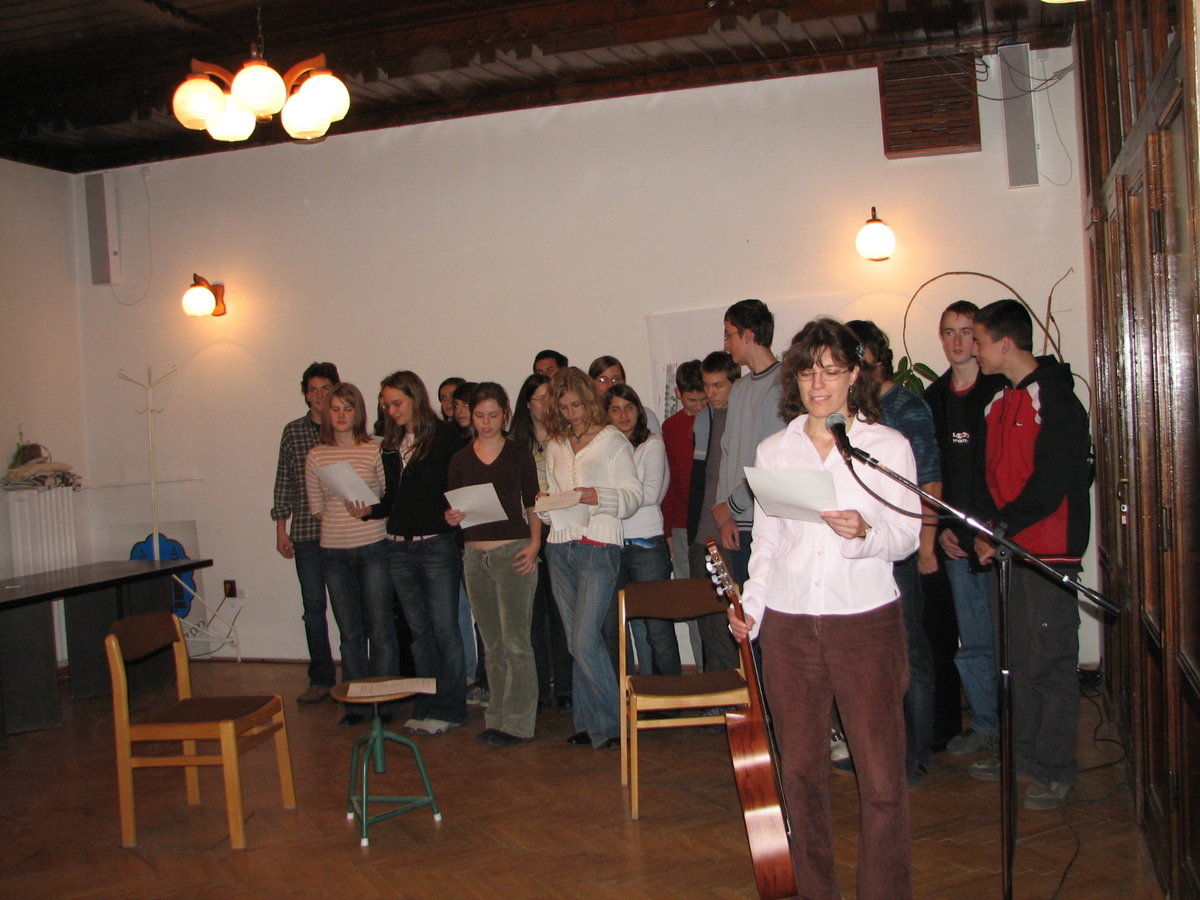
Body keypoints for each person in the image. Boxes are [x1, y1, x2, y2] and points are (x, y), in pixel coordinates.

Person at [728, 317, 920, 900]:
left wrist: (865, 532)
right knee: (801, 774)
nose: (818, 384)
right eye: (808, 372)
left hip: (865, 624)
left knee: (881, 777)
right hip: (789, 629)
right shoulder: (775, 449)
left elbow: (907, 536)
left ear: (854, 375)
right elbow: (768, 544)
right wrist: (752, 609)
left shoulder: (885, 446)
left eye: (832, 371)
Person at [968, 299, 1091, 810]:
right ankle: (1019, 753)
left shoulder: (1057, 399)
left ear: (1005, 343)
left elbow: (1051, 483)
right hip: (1008, 551)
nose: (973, 351)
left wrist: (1000, 530)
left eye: (978, 341)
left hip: (1047, 554)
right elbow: (985, 478)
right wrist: (982, 528)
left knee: (1049, 663)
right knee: (1014, 660)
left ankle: (1054, 767)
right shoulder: (997, 402)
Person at [846, 319, 941, 787]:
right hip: (858, 552)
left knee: (910, 655)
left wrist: (926, 546)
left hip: (900, 551)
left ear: (874, 359)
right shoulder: (844, 414)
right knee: (867, 660)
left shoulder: (905, 407)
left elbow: (930, 481)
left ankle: (916, 754)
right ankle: (874, 751)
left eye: (853, 360)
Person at [361, 371, 470, 735]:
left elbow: (457, 488)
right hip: (398, 547)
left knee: (445, 630)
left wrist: (455, 517)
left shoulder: (445, 437)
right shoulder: (392, 443)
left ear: (416, 399)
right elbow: (394, 497)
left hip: (436, 544)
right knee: (419, 633)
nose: (391, 411)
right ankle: (424, 704)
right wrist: (370, 509)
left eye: (397, 404)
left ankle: (451, 708)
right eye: (386, 405)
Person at [540, 367, 642, 749]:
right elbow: (554, 501)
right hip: (559, 546)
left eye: (577, 405)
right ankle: (590, 724)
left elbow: (633, 497)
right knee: (576, 642)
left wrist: (596, 496)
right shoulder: (554, 444)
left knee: (585, 640)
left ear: (589, 401)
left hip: (600, 545)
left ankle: (618, 724)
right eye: (564, 407)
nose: (571, 414)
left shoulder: (613, 440)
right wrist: (545, 505)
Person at [923, 301, 1005, 756]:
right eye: (948, 331)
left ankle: (1016, 726)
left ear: (979, 337)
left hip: (999, 536)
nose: (957, 340)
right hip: (955, 539)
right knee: (972, 641)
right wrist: (942, 529)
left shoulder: (999, 390)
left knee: (1009, 639)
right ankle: (986, 723)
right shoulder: (934, 398)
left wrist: (991, 527)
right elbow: (933, 473)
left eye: (966, 331)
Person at [446, 383, 542, 748]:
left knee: (516, 641)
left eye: (493, 415)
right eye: (479, 415)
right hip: (474, 556)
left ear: (505, 415)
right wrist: (452, 517)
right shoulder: (460, 459)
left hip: (512, 551)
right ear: (470, 416)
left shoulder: (518, 453)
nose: (486, 423)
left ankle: (518, 723)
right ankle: (497, 716)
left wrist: (534, 544)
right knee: (492, 644)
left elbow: (533, 503)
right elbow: (455, 509)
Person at [304, 382, 398, 728]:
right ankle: (356, 704)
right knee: (350, 633)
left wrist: (367, 510)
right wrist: (343, 513)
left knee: (381, 629)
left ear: (358, 413)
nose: (341, 415)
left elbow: (388, 499)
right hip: (333, 552)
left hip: (373, 546)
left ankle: (384, 703)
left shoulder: (374, 449)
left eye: (348, 408)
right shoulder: (317, 455)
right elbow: (317, 508)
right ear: (326, 413)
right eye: (335, 409)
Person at [271, 361, 339, 706]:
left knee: (349, 610)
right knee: (313, 609)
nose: (319, 396)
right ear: (306, 395)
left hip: (343, 534)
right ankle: (321, 679)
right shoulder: (293, 432)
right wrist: (281, 529)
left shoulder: (346, 428)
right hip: (307, 534)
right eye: (313, 390)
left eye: (325, 389)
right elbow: (284, 481)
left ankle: (357, 677)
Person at [604, 384, 680, 677]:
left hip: (646, 545)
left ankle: (671, 697)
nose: (623, 415)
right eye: (615, 409)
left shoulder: (652, 444)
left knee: (657, 630)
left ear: (639, 411)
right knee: (613, 629)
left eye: (629, 408)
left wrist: (603, 498)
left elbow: (649, 495)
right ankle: (624, 695)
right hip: (611, 545)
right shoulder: (604, 449)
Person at [511, 373, 573, 711]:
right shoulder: (513, 444)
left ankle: (565, 687)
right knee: (531, 615)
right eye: (540, 398)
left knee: (561, 611)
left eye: (551, 397)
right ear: (527, 404)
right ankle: (537, 689)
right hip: (526, 531)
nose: (546, 404)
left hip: (561, 528)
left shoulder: (567, 438)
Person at [715, 299, 786, 586]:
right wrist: (724, 512)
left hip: (768, 522)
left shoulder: (783, 385)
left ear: (748, 335)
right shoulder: (740, 388)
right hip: (736, 522)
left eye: (729, 335)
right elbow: (727, 452)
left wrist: (731, 505)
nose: (726, 344)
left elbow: (771, 464)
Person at [688, 350, 742, 672]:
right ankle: (718, 688)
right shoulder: (704, 419)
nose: (710, 393)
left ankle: (741, 688)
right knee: (708, 622)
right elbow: (700, 480)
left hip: (729, 530)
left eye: (718, 385)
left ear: (736, 384)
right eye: (707, 386)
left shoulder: (742, 419)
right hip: (702, 533)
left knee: (730, 620)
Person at [661, 359, 706, 579]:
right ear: (678, 393)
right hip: (681, 520)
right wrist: (667, 528)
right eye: (692, 400)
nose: (699, 406)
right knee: (685, 583)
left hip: (709, 519)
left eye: (704, 399)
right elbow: (668, 478)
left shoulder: (717, 421)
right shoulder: (670, 427)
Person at [587, 355, 661, 434]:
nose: (610, 385)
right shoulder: (585, 418)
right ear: (590, 383)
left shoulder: (646, 415)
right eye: (602, 380)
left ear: (623, 381)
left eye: (615, 379)